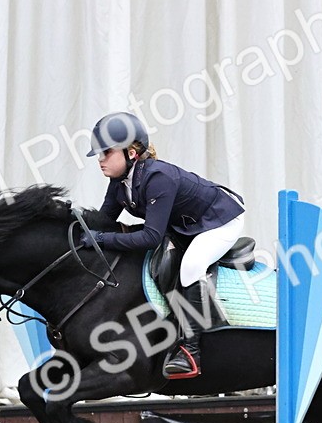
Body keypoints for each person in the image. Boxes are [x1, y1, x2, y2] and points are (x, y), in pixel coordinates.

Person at [80, 111, 245, 379]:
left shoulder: (158, 178)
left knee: (190, 266)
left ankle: (191, 352)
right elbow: (105, 221)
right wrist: (75, 228)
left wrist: (100, 239)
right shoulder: (119, 182)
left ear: (131, 153)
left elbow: (150, 238)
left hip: (219, 221)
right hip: (186, 224)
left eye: (106, 153)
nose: (100, 160)